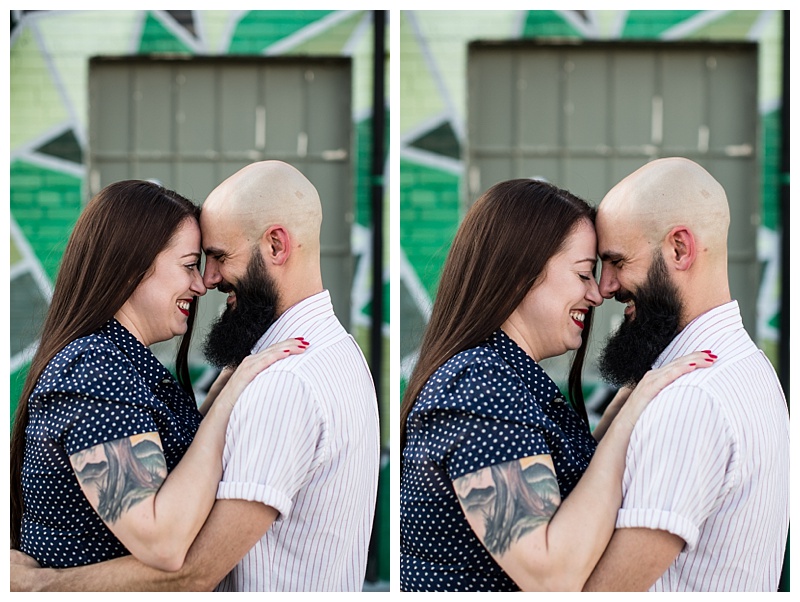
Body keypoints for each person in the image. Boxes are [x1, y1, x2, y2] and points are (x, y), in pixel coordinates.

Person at [11, 161, 380, 592]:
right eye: (191, 264)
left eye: (216, 258)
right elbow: (163, 539)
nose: (204, 283)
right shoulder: (95, 371)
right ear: (132, 268)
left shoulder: (282, 376)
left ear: (277, 246)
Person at [399, 178, 714, 591]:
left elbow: (564, 500)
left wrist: (623, 405)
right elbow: (550, 575)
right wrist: (626, 423)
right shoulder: (479, 389)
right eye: (584, 273)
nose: (597, 294)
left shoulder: (507, 379)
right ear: (518, 275)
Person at [583, 157, 789, 591]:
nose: (604, 287)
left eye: (617, 261)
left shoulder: (693, 399)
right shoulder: (750, 367)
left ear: (680, 248)